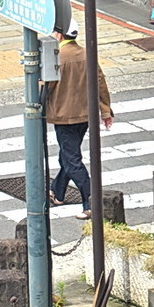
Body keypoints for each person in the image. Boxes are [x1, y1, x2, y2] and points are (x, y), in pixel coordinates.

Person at [44, 19, 114, 220]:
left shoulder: (57, 57)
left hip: (63, 116)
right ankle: (57, 192)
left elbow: (45, 86)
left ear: (59, 35)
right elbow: (100, 83)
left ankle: (91, 202)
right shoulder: (86, 55)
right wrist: (106, 110)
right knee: (68, 154)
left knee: (72, 159)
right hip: (85, 114)